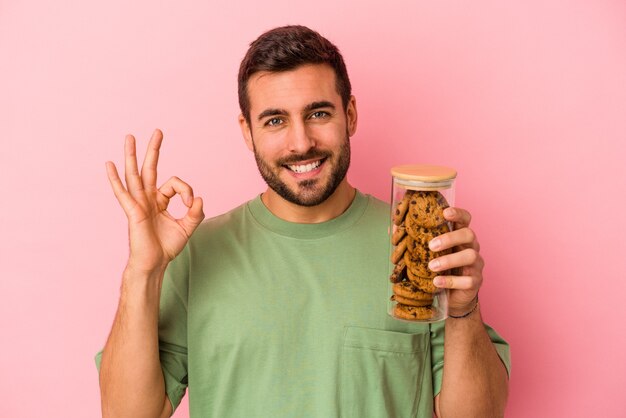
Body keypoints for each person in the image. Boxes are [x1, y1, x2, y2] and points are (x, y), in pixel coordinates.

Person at [96, 25, 510, 418]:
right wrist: (142, 271)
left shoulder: (416, 248)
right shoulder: (196, 252)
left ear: (349, 115)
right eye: (275, 120)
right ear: (247, 131)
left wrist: (463, 310)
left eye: (318, 114)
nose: (301, 143)